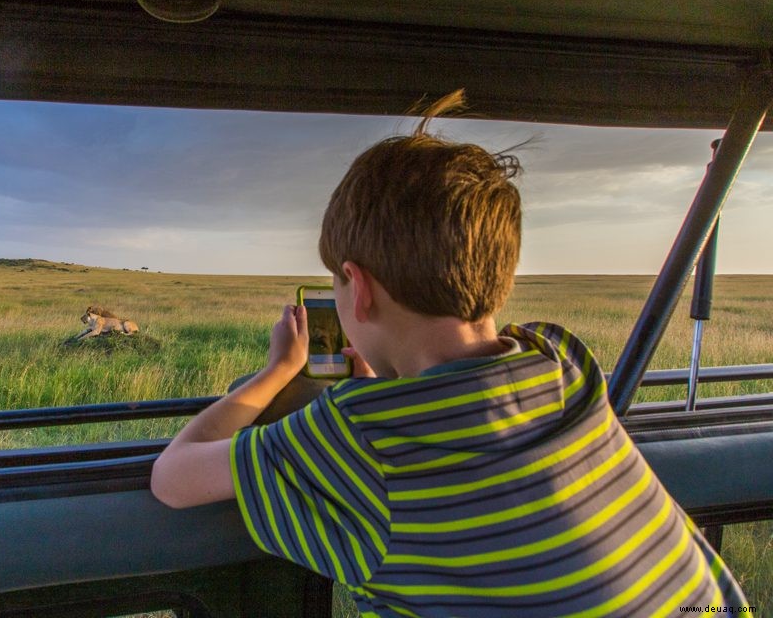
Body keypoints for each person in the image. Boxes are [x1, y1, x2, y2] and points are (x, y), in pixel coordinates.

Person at [150, 91, 746, 617]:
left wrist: (278, 370)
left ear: (357, 288)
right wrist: (396, 367)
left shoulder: (360, 433)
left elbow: (173, 477)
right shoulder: (562, 360)